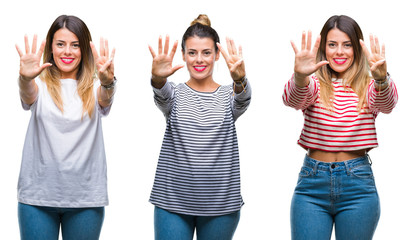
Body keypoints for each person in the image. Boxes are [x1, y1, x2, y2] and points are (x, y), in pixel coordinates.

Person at [283, 15, 398, 240]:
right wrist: (299, 77)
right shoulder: (314, 84)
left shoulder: (370, 84)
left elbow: (388, 104)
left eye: (347, 45)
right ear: (324, 48)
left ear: (356, 48)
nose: (339, 52)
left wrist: (382, 79)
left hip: (358, 186)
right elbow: (292, 100)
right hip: (312, 186)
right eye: (332, 44)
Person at [148, 14, 251, 240]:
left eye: (206, 53)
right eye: (192, 52)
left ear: (216, 55)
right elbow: (160, 93)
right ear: (183, 55)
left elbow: (243, 99)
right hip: (172, 202)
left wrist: (240, 79)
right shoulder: (174, 94)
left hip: (221, 206)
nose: (199, 59)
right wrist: (157, 78)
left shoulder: (227, 95)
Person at [15, 15, 116, 240]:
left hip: (85, 200)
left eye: (75, 45)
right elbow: (27, 94)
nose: (67, 51)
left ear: (84, 50)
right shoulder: (38, 85)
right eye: (60, 44)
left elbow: (106, 98)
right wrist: (24, 78)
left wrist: (108, 82)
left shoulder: (94, 88)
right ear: (51, 48)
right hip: (37, 199)